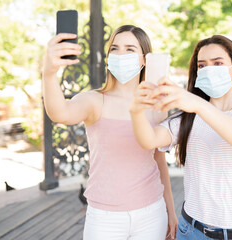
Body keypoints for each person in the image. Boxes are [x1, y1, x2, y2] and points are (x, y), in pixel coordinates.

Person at [129, 35, 232, 240]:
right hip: (192, 232)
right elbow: (149, 140)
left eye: (217, 63)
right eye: (202, 65)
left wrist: (198, 104)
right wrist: (135, 110)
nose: (209, 70)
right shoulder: (189, 117)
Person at [42, 24, 178, 240]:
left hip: (152, 213)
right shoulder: (94, 100)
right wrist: (49, 74)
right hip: (105, 218)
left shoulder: (156, 105)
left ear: (144, 60)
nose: (120, 54)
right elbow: (59, 113)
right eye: (114, 49)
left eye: (130, 49)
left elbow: (159, 160)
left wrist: (170, 209)